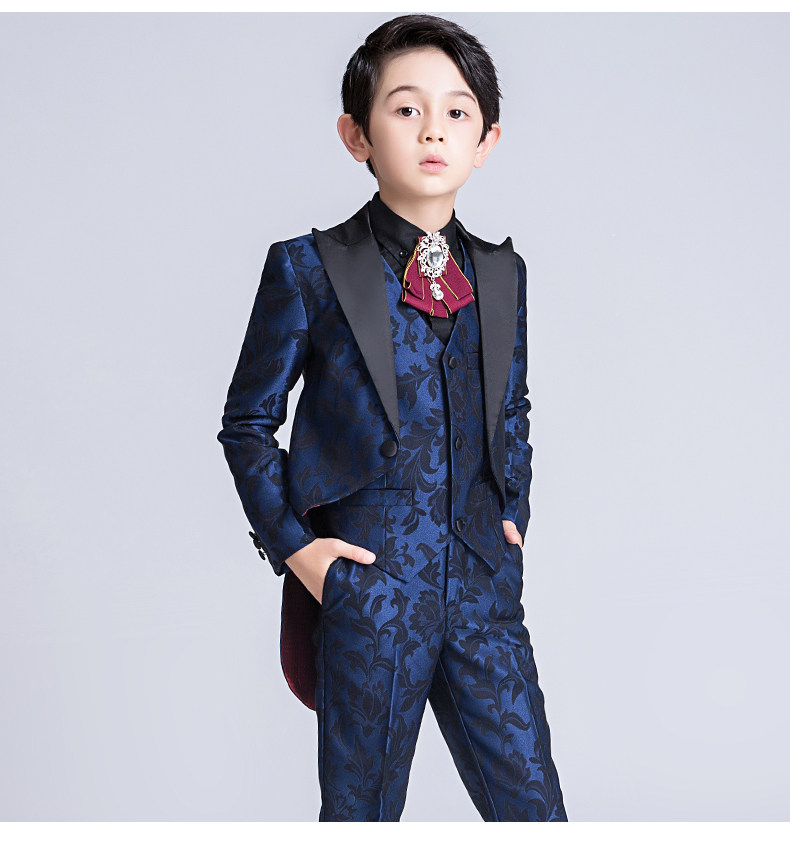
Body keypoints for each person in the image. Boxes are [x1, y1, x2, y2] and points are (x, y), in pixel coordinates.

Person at [217, 13, 568, 822]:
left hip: (482, 588)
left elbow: (511, 407)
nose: (432, 130)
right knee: (361, 819)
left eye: (456, 111)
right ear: (357, 134)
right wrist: (300, 551)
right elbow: (247, 422)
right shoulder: (308, 268)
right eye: (406, 108)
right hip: (370, 591)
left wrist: (512, 517)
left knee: (536, 814)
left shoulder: (503, 273)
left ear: (486, 140)